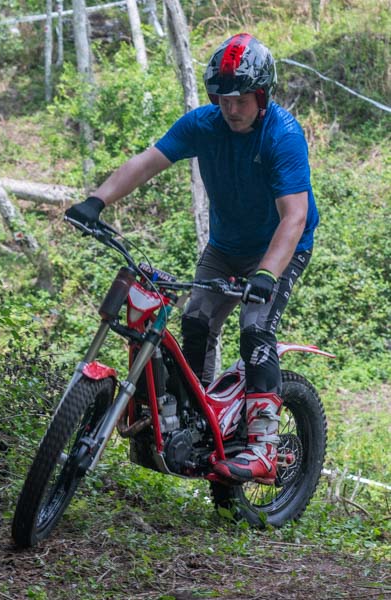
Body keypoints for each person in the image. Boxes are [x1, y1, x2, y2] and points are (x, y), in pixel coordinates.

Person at [65, 32, 319, 485]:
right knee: (196, 319)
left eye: (241, 100)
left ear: (262, 96)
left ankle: (263, 447)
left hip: (280, 247)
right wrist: (96, 201)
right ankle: (194, 424)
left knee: (255, 328)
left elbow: (294, 216)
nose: (231, 108)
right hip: (224, 248)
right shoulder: (203, 124)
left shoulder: (282, 135)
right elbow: (148, 161)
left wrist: (266, 273)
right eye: (223, 98)